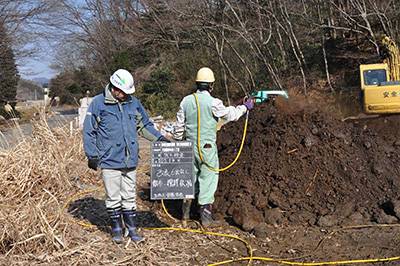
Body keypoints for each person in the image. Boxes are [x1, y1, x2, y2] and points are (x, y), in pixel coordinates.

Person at [83, 69, 169, 243]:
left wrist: (159, 138)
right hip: (109, 159)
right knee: (113, 196)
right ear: (114, 87)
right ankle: (116, 228)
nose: (124, 95)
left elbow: (144, 125)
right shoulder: (98, 104)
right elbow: (89, 130)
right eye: (122, 91)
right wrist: (92, 155)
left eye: (126, 92)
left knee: (129, 196)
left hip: (130, 159)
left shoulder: (133, 103)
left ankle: (132, 228)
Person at [172, 67, 254, 226]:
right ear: (211, 85)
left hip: (188, 146)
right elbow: (231, 115)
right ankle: (206, 219)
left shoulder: (186, 101)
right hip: (207, 147)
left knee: (190, 178)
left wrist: (179, 142)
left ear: (197, 83)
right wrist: (245, 107)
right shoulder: (213, 102)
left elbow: (179, 127)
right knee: (208, 179)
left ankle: (185, 217)